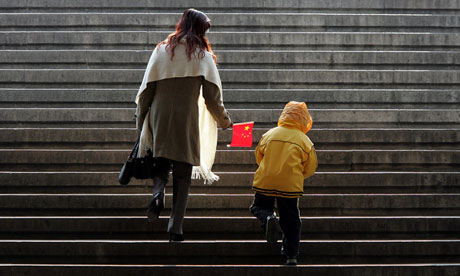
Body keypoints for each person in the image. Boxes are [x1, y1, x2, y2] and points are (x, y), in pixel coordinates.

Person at [135, 8, 232, 242]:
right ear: (201, 30)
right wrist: (225, 121)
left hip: (160, 116)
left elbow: (147, 90)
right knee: (183, 175)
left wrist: (141, 122)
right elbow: (212, 98)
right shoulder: (203, 57)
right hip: (186, 119)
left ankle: (158, 193)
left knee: (161, 162)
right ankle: (175, 228)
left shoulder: (161, 51)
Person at [250, 101, 318, 265]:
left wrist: (269, 169)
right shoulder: (305, 140)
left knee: (258, 207)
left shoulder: (269, 134)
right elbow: (311, 166)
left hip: (266, 180)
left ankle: (268, 218)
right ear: (304, 119)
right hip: (289, 184)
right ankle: (291, 255)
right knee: (291, 219)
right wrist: (298, 175)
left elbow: (258, 155)